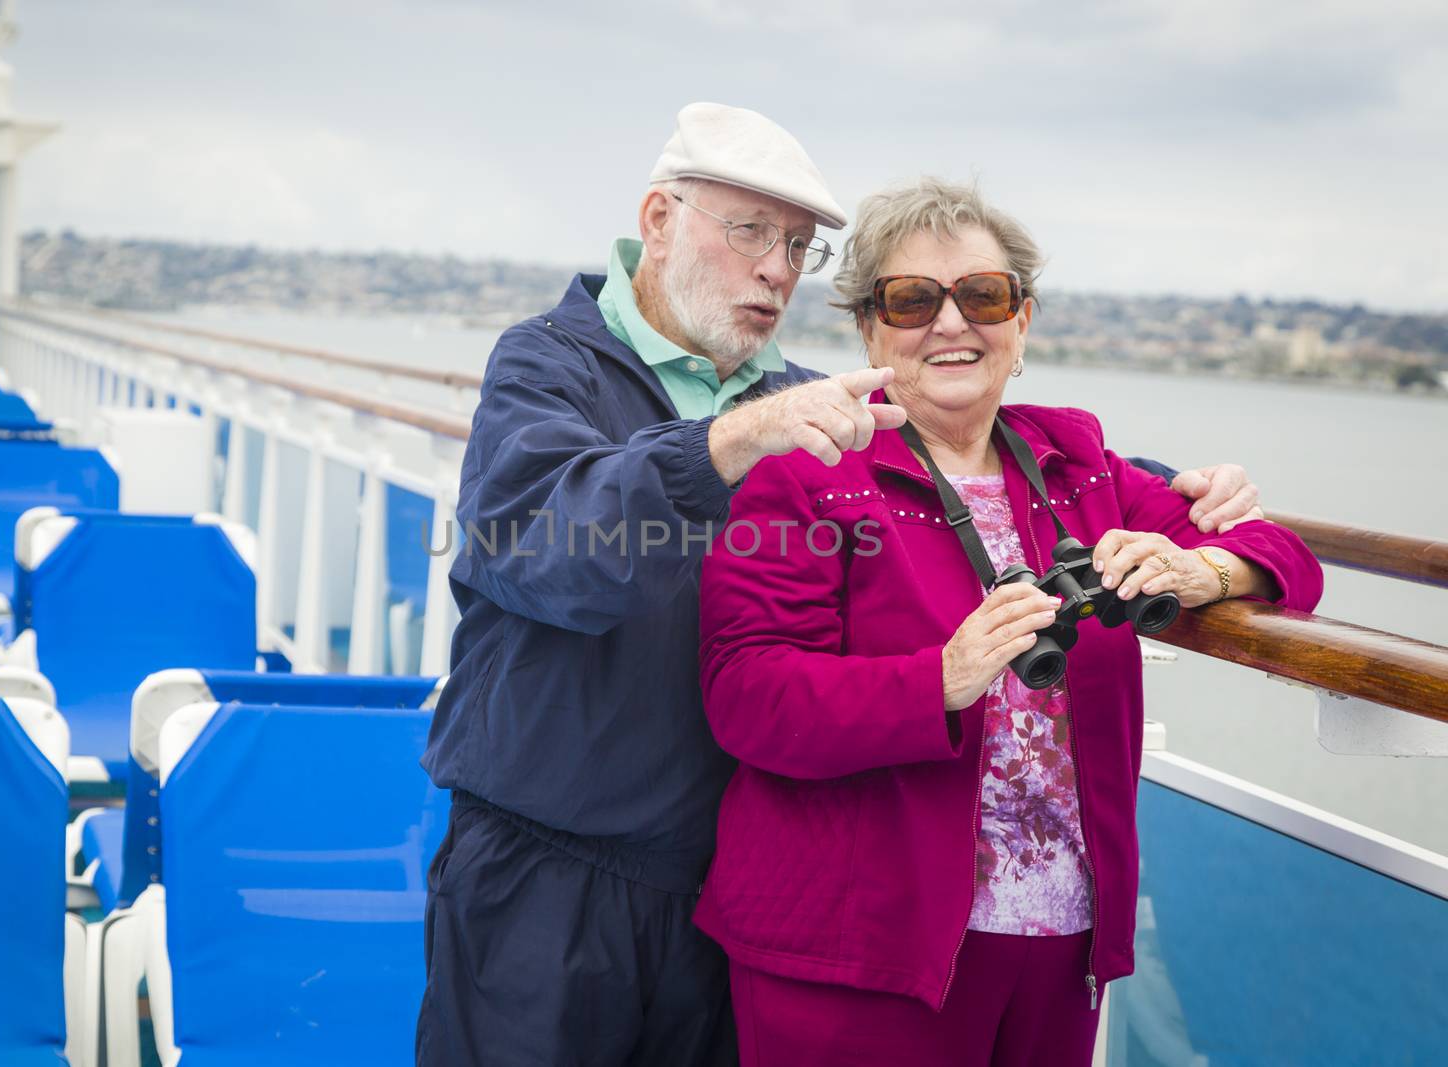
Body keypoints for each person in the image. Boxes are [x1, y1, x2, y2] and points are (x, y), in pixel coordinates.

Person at [416, 105, 1265, 1067]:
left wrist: (1188, 495)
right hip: (551, 864)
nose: (776, 267)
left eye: (799, 245)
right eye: (750, 233)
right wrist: (729, 442)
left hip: (717, 881)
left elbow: (990, 460)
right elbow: (536, 547)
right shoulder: (550, 366)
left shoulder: (815, 405)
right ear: (658, 220)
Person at [693, 176, 1325, 1067]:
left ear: (1021, 323)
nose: (951, 324)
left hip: (1061, 939)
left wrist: (1202, 569)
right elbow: (745, 694)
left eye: (982, 295)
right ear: (870, 331)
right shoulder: (808, 473)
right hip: (859, 950)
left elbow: (1285, 554)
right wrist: (939, 678)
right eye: (913, 300)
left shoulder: (1078, 467)